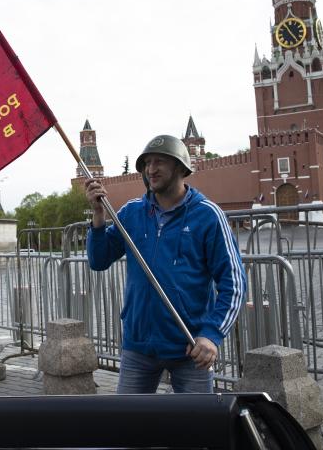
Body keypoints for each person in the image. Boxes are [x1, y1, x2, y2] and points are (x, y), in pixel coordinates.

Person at [85, 134, 246, 394]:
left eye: (159, 162)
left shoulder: (207, 215)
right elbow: (98, 260)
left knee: (196, 429)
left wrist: (212, 334)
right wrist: (98, 216)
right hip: (138, 346)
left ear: (180, 167)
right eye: (147, 163)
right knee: (128, 428)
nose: (151, 169)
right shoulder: (131, 212)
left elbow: (234, 283)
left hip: (190, 347)